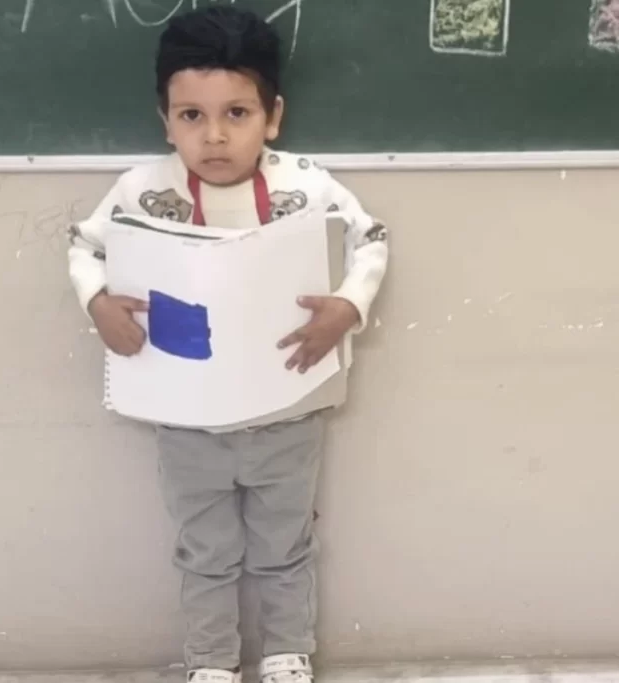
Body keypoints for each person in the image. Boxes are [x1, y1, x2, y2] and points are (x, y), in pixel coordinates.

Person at [66, 6, 389, 683]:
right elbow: (83, 247)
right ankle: (211, 660)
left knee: (286, 546)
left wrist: (347, 307)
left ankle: (287, 653)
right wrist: (97, 302)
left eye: (236, 114)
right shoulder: (140, 190)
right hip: (186, 420)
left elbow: (371, 241)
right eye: (191, 116)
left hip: (288, 409)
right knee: (204, 552)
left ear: (272, 116)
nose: (214, 135)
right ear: (166, 120)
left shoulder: (308, 185)